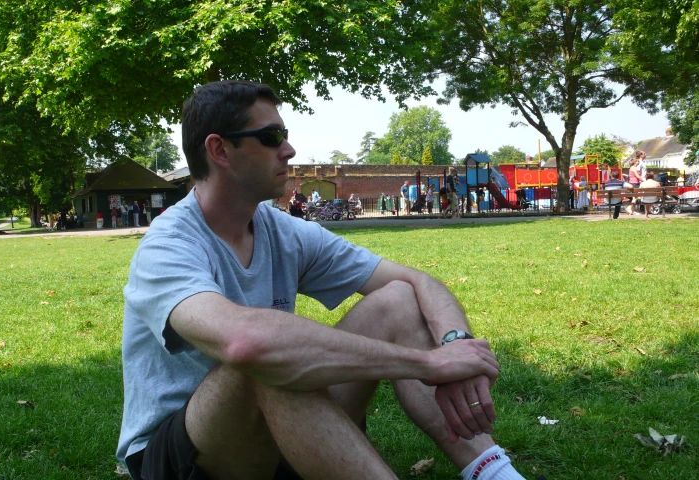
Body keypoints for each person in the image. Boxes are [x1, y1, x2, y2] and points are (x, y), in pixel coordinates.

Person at [117, 80, 525, 480]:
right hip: (186, 456)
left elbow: (418, 283)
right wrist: (427, 363)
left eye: (286, 135)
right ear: (220, 149)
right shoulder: (168, 244)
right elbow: (246, 343)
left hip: (281, 432)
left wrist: (457, 348)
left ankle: (496, 473)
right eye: (272, 136)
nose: (289, 150)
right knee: (265, 362)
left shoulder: (282, 230)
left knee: (397, 299)